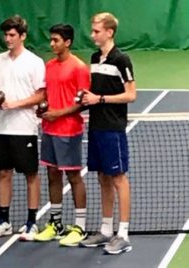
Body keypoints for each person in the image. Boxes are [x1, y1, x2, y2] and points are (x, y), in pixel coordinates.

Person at [79, 12, 136, 254]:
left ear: (109, 32)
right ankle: (106, 229)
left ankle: (122, 233)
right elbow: (96, 91)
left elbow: (131, 94)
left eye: (96, 31)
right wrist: (86, 98)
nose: (93, 35)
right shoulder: (94, 58)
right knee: (102, 177)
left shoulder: (122, 60)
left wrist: (99, 98)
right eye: (92, 30)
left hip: (113, 128)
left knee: (118, 178)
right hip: (96, 127)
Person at [0, 15, 46, 241]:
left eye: (12, 35)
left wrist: (15, 104)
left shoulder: (34, 62)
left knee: (30, 174)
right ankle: (4, 221)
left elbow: (41, 94)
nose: (8, 39)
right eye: (6, 35)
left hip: (25, 127)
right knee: (3, 173)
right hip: (1, 127)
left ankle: (31, 223)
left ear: (23, 36)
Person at [34, 24, 90, 247]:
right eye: (51, 40)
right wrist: (43, 110)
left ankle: (80, 226)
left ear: (67, 42)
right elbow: (46, 95)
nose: (52, 44)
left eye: (56, 40)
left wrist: (58, 113)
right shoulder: (49, 66)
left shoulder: (79, 68)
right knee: (52, 174)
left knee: (73, 176)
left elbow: (83, 103)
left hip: (69, 130)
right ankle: (56, 223)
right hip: (49, 129)